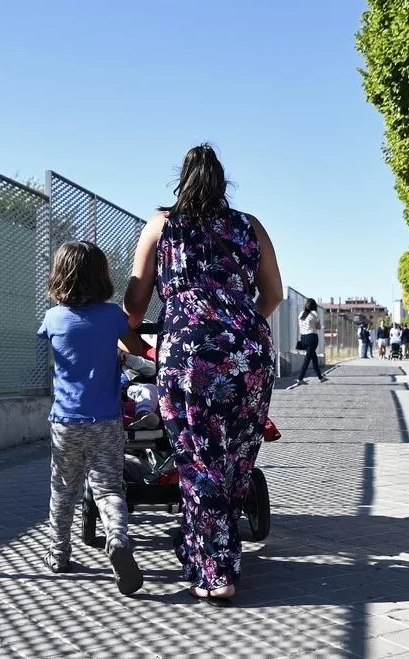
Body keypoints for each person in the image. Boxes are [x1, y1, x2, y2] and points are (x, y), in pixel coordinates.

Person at [123, 144, 283, 604]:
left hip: (189, 354)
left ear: (182, 179)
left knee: (198, 458)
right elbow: (271, 294)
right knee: (234, 459)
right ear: (222, 182)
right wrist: (238, 320)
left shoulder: (162, 224)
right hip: (248, 352)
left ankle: (214, 571)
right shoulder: (249, 226)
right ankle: (203, 549)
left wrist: (124, 334)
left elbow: (135, 304)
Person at [36, 241, 144, 595]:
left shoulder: (53, 318)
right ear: (102, 276)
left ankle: (59, 554)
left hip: (65, 421)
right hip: (107, 420)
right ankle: (116, 539)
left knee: (63, 489)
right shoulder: (113, 316)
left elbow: (53, 345)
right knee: (109, 488)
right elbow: (137, 347)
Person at [297, 298, 328, 384]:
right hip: (312, 338)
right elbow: (317, 327)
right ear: (314, 306)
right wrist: (322, 327)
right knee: (307, 359)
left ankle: (320, 377)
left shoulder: (301, 314)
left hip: (303, 338)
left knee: (314, 358)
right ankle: (300, 378)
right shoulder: (314, 314)